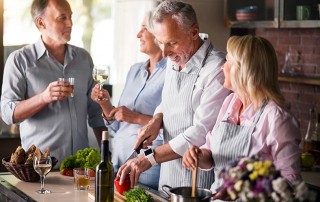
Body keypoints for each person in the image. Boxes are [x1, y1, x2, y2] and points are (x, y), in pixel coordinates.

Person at [116, 0, 230, 190]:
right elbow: (168, 100)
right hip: (168, 172)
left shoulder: (216, 68)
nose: (165, 52)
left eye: (172, 43)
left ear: (194, 32)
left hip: (197, 178)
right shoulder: (176, 57)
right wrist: (157, 119)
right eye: (160, 42)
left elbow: (201, 131)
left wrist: (148, 159)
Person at [182, 35, 302, 200]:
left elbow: (291, 182)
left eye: (227, 61)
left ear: (243, 69)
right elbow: (210, 152)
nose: (222, 67)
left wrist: (243, 190)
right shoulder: (230, 102)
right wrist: (197, 155)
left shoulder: (277, 118)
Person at [1, 0, 106, 166]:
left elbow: (96, 114)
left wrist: (107, 157)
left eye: (70, 17)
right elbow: (8, 114)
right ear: (41, 22)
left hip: (80, 169)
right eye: (62, 18)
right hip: (42, 170)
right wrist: (43, 98)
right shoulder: (20, 60)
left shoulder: (84, 58)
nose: (70, 23)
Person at [91, 11, 166, 190]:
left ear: (158, 34)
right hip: (118, 161)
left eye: (143, 29)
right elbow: (117, 124)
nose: (138, 34)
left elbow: (173, 125)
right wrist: (105, 105)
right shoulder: (134, 70)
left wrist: (135, 117)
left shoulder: (171, 72)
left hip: (146, 167)